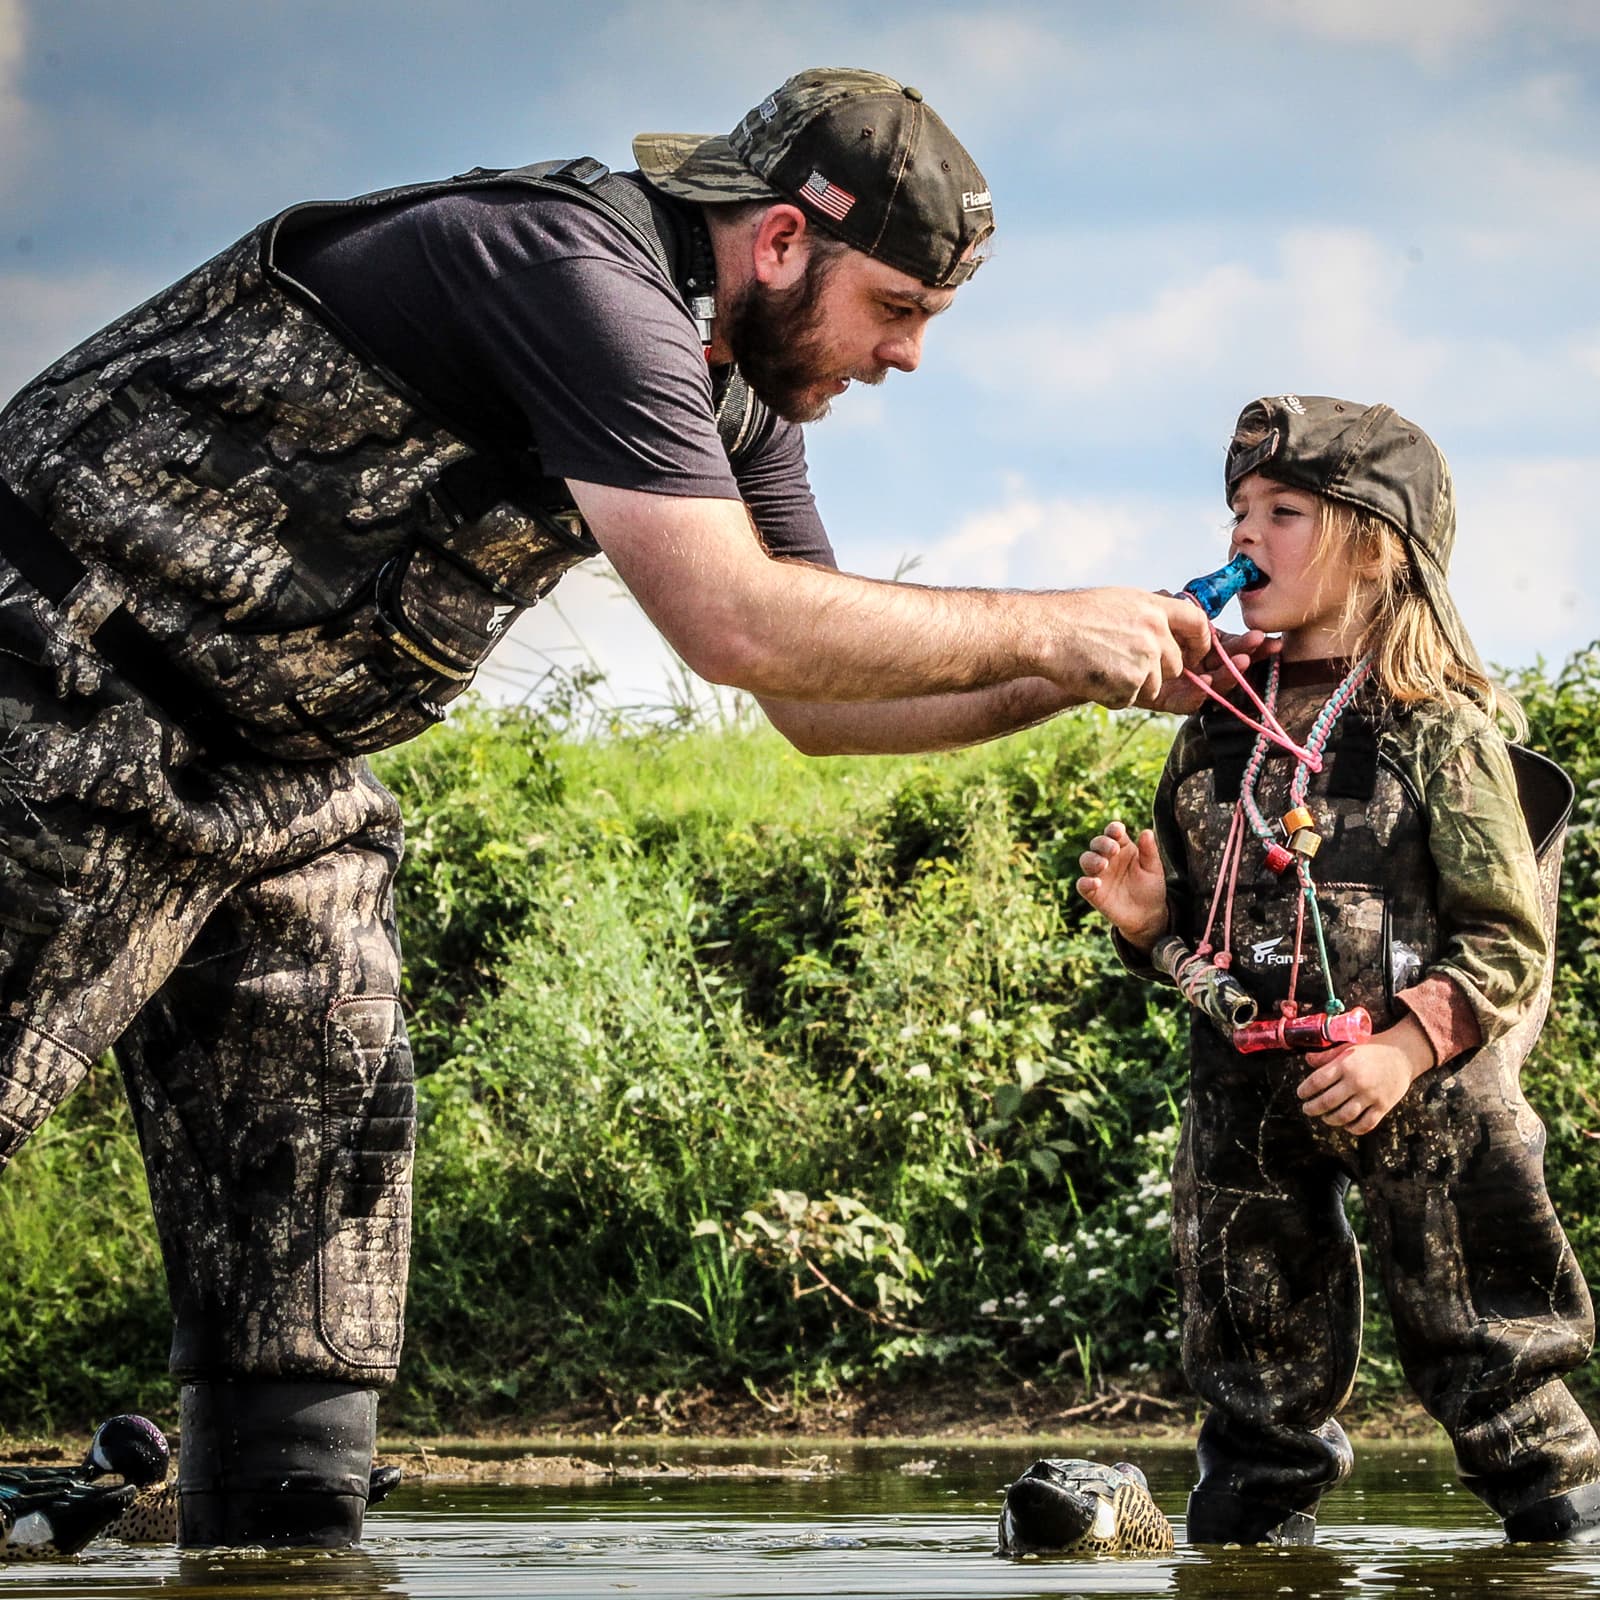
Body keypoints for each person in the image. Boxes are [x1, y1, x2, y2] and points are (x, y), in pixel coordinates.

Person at [0, 68, 1236, 1548]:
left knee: (322, 1231)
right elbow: (740, 624)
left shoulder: (742, 390)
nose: (907, 357)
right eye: (897, 308)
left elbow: (816, 705)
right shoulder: (573, 273)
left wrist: (1093, 673)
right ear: (781, 241)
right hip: (58, 683)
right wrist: (1052, 622)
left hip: (283, 776)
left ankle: (280, 1554)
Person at [1075, 394, 1600, 1547]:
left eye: (1283, 511)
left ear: (1375, 546)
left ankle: (1559, 1536)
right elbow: (1202, 945)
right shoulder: (1214, 728)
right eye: (1235, 513)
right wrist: (1146, 918)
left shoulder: (1434, 726)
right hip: (1249, 1104)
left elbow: (1510, 941)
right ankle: (1251, 1532)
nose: (1241, 538)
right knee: (1251, 1359)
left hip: (1427, 1098)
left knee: (1488, 1348)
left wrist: (1403, 1049)